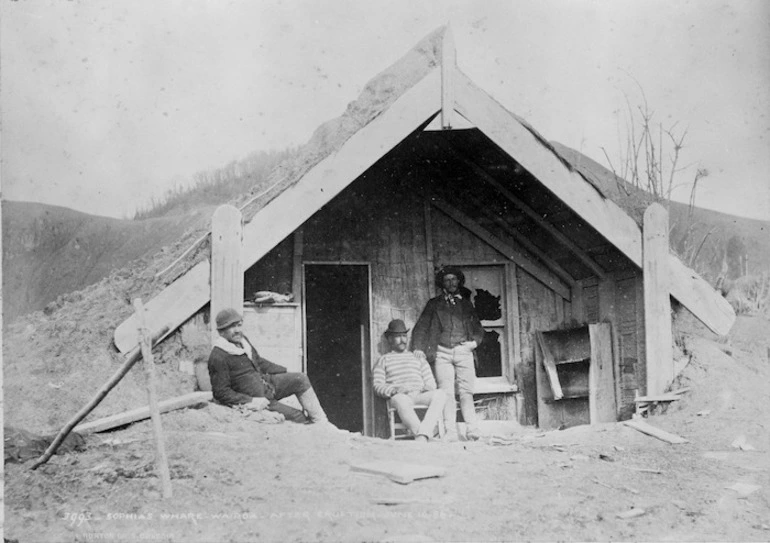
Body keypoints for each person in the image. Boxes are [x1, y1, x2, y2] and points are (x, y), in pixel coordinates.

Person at [208, 307, 332, 426]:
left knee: (300, 379)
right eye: (231, 327)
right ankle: (313, 432)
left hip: (268, 385)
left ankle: (322, 423)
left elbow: (259, 362)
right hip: (259, 400)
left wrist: (285, 370)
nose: (237, 330)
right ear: (221, 331)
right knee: (298, 416)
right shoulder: (218, 356)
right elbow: (221, 392)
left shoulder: (242, 341)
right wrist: (251, 401)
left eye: (239, 325)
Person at [412, 267, 484, 441]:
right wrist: (418, 347)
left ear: (458, 281)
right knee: (447, 393)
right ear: (442, 283)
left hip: (463, 351)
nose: (451, 283)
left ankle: (472, 430)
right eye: (447, 280)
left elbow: (478, 327)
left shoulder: (466, 303)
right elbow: (421, 326)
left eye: (454, 280)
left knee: (466, 392)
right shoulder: (434, 304)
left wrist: (473, 343)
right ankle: (450, 432)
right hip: (442, 352)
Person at [373, 319, 446, 442]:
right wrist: (393, 390)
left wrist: (427, 387)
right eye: (397, 337)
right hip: (400, 396)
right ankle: (423, 436)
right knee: (401, 399)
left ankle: (423, 434)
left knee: (441, 394)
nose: (402, 340)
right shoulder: (384, 360)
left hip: (419, 394)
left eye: (404, 336)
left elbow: (430, 381)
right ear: (390, 339)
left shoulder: (417, 358)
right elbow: (377, 385)